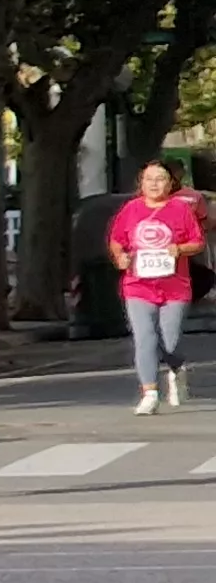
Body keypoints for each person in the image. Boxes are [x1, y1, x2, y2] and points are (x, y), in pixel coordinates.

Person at [112, 160, 199, 414]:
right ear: (141, 183)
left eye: (160, 179)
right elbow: (117, 240)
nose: (154, 184)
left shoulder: (180, 210)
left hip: (174, 286)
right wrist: (120, 256)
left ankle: (176, 369)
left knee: (169, 342)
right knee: (145, 338)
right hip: (138, 285)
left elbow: (197, 241)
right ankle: (149, 392)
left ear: (170, 183)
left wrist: (180, 248)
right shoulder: (131, 209)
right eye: (149, 179)